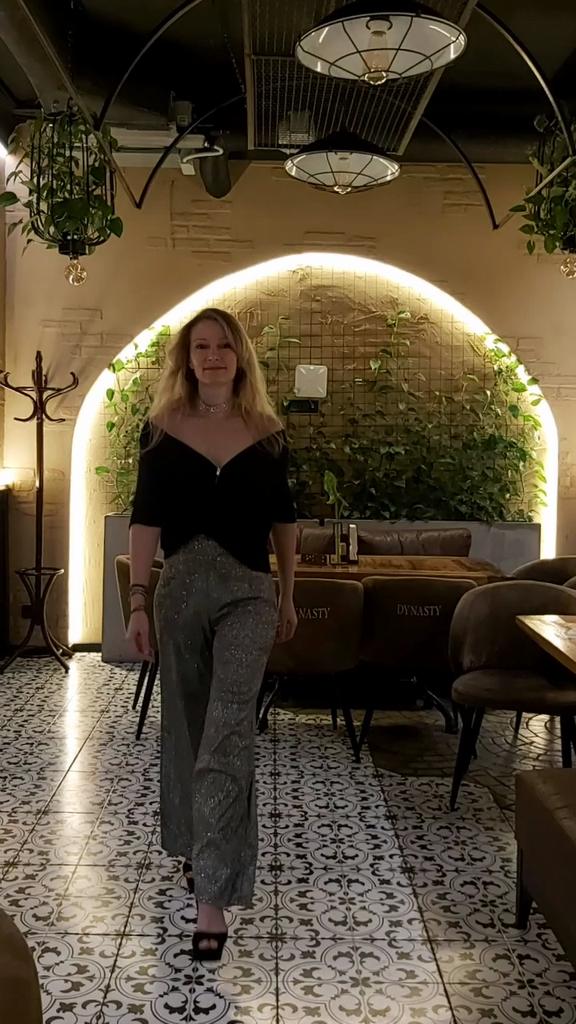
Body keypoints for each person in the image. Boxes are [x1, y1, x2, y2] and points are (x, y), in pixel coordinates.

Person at [126, 307, 298, 961]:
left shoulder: (269, 432)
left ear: (239, 355)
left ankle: (212, 900)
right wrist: (137, 602)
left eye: (224, 345)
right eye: (201, 346)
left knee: (227, 734)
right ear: (188, 358)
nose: (213, 356)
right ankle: (195, 847)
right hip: (179, 592)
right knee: (186, 730)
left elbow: (284, 521)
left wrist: (288, 592)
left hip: (249, 593)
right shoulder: (160, 429)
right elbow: (145, 521)